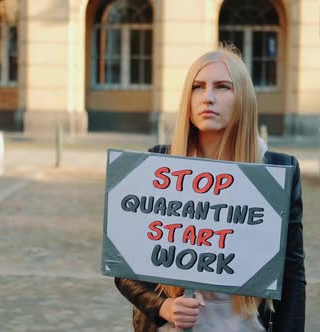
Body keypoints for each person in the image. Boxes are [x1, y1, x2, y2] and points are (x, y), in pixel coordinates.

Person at [115, 45, 306, 332]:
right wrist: (163, 306)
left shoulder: (277, 171)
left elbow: (292, 274)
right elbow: (123, 262)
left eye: (223, 87)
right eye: (198, 87)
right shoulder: (159, 166)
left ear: (243, 97)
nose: (208, 97)